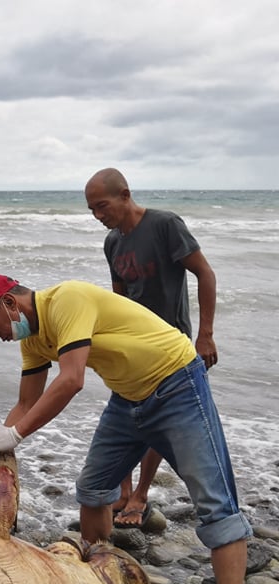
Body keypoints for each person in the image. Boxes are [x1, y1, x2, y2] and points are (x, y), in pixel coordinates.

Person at [0, 273, 251, 584]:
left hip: (177, 385)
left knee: (216, 505)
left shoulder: (68, 299)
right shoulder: (32, 339)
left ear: (9, 303)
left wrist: (14, 433)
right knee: (94, 489)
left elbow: (72, 379)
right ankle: (103, 582)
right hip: (129, 397)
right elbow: (26, 402)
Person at [85, 168, 219, 529]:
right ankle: (122, 492)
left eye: (102, 206)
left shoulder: (164, 225)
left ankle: (141, 494)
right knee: (127, 416)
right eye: (92, 210)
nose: (99, 216)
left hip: (169, 347)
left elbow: (204, 273)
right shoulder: (112, 242)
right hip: (131, 349)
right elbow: (118, 300)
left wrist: (205, 334)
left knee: (159, 420)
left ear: (125, 194)